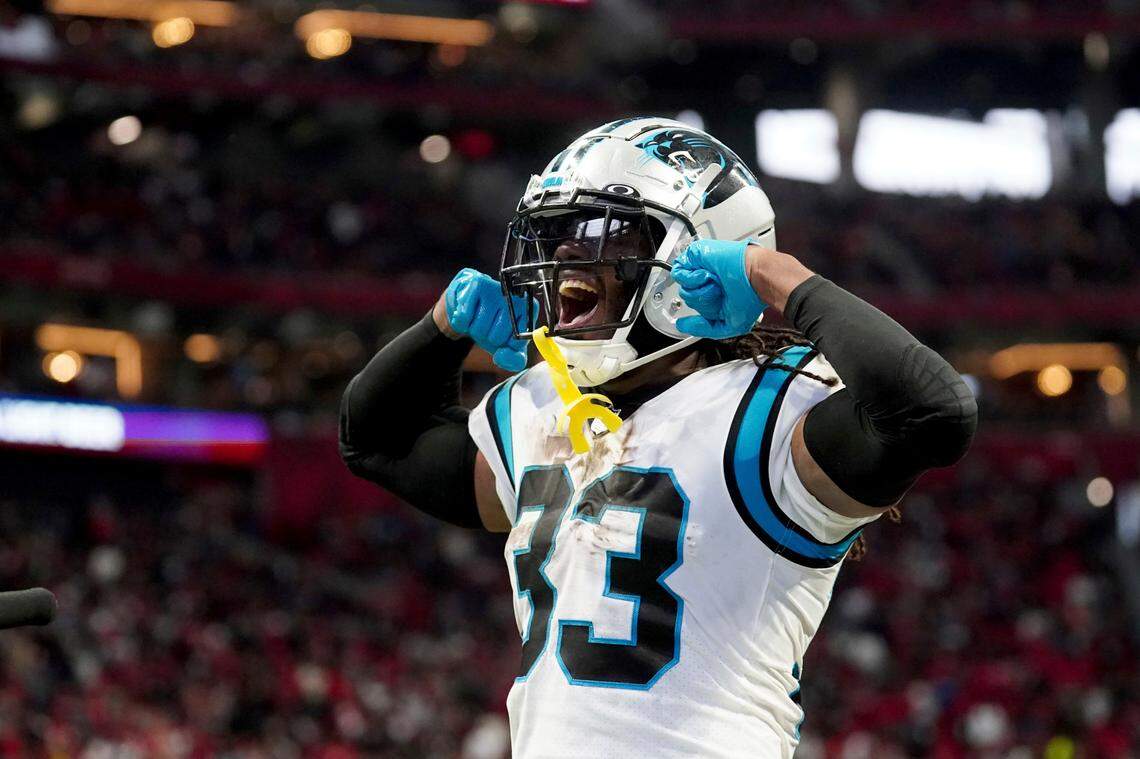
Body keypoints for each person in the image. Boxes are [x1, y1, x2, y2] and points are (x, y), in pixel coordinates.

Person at [340, 118, 977, 758]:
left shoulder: (768, 412)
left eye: (606, 232)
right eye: (560, 232)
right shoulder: (540, 411)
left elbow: (933, 411)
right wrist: (441, 329)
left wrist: (769, 274)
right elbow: (374, 441)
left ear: (698, 253)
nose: (565, 253)